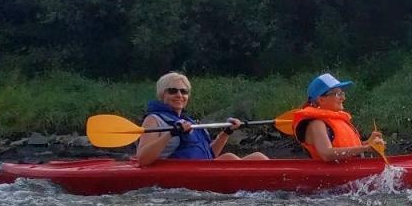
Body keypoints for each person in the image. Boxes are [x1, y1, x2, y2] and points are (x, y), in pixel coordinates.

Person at [133, 72, 268, 166]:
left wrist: (226, 132)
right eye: (173, 91)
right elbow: (143, 159)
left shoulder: (189, 121)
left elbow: (210, 155)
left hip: (201, 168)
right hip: (176, 171)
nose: (179, 95)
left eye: (184, 91)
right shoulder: (153, 119)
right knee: (229, 158)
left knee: (258, 156)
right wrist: (171, 133)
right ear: (162, 95)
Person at [288, 73, 385, 162]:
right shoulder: (316, 124)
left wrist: (368, 143)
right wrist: (366, 148)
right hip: (330, 177)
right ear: (321, 99)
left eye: (342, 93)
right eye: (338, 94)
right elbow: (326, 154)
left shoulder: (338, 120)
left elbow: (349, 148)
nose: (343, 98)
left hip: (351, 173)